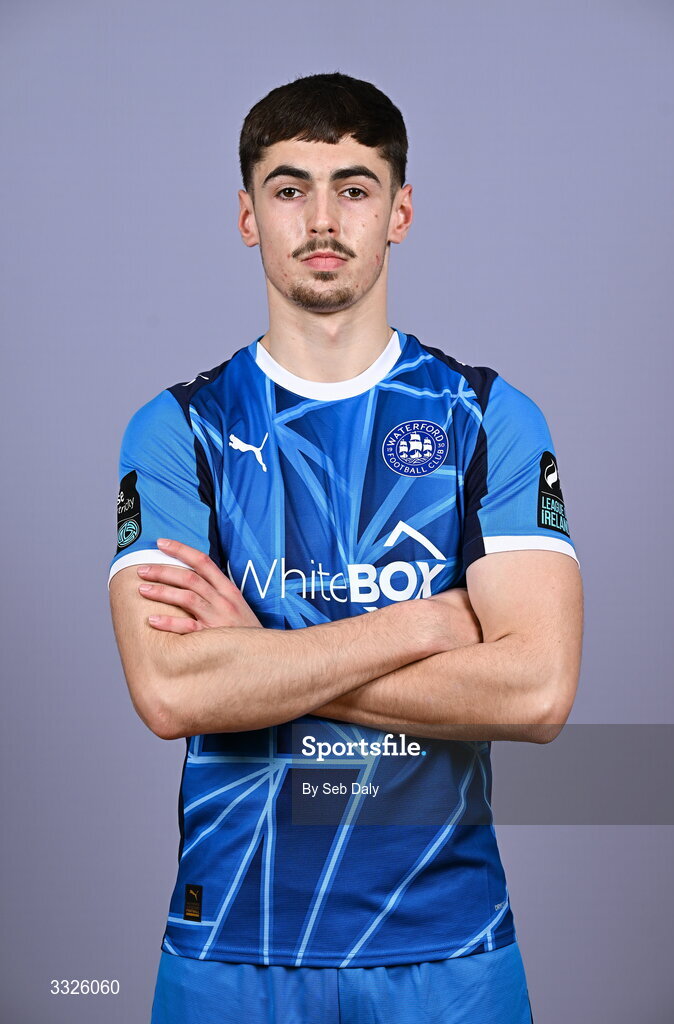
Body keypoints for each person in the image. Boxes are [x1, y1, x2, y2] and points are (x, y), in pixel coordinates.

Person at [108, 72, 583, 1024]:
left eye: (353, 187)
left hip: (446, 945)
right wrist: (429, 622)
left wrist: (259, 653)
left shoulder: (487, 416)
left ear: (398, 211)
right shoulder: (177, 430)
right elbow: (171, 692)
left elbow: (534, 693)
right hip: (230, 944)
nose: (321, 218)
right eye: (289, 189)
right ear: (248, 216)